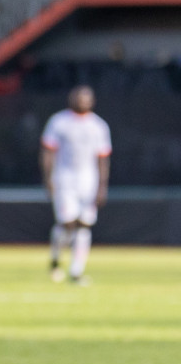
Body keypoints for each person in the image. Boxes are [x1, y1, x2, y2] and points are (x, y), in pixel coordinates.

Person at [41, 85, 111, 285]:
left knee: (84, 225)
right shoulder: (59, 122)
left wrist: (102, 186)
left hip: (88, 181)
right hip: (64, 178)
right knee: (67, 223)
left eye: (86, 97)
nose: (82, 101)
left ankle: (76, 271)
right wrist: (48, 178)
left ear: (92, 101)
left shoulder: (99, 126)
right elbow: (48, 151)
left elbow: (103, 158)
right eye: (78, 97)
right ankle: (55, 258)